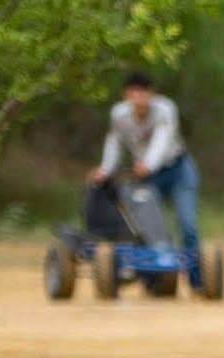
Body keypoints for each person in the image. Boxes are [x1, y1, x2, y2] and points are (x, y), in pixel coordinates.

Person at [87, 72, 204, 291]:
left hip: (178, 170)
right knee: (149, 227)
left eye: (143, 92)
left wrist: (148, 164)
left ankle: (198, 281)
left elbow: (163, 139)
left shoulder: (165, 109)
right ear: (126, 95)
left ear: (151, 94)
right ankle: (154, 278)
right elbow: (114, 142)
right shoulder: (119, 115)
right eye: (133, 93)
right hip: (148, 177)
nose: (138, 98)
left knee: (187, 225)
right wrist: (105, 169)